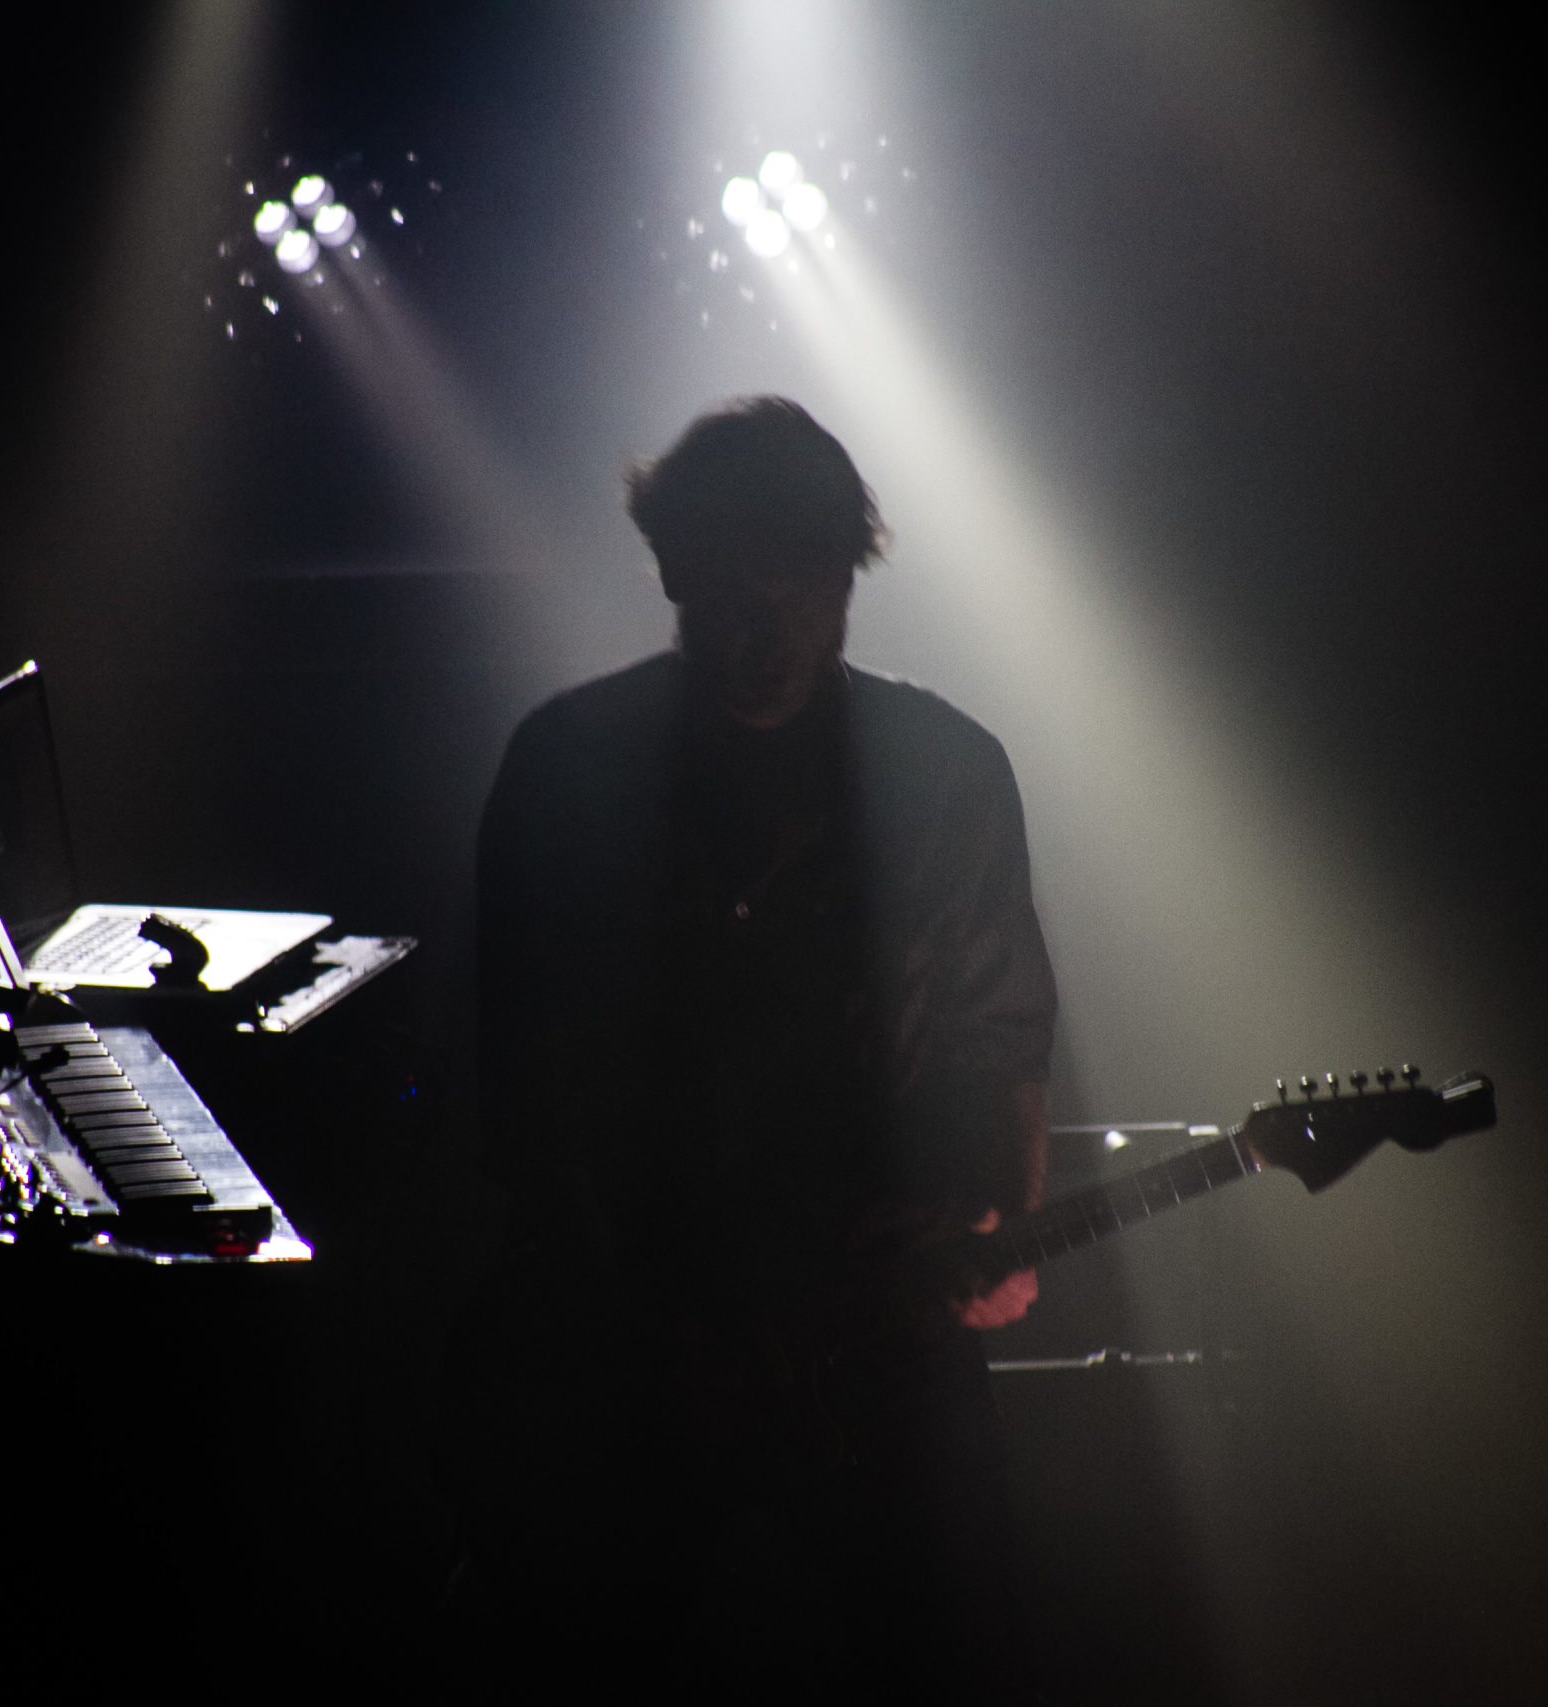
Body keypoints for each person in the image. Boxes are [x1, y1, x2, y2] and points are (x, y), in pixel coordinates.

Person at [451, 397, 1056, 1703]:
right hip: (625, 1353)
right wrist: (662, 1326)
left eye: (803, 587)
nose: (766, 631)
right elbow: (527, 1091)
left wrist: (994, 1218)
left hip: (872, 1338)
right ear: (675, 571)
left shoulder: (945, 773)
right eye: (734, 589)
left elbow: (1001, 1040)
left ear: (849, 579)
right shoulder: (569, 769)